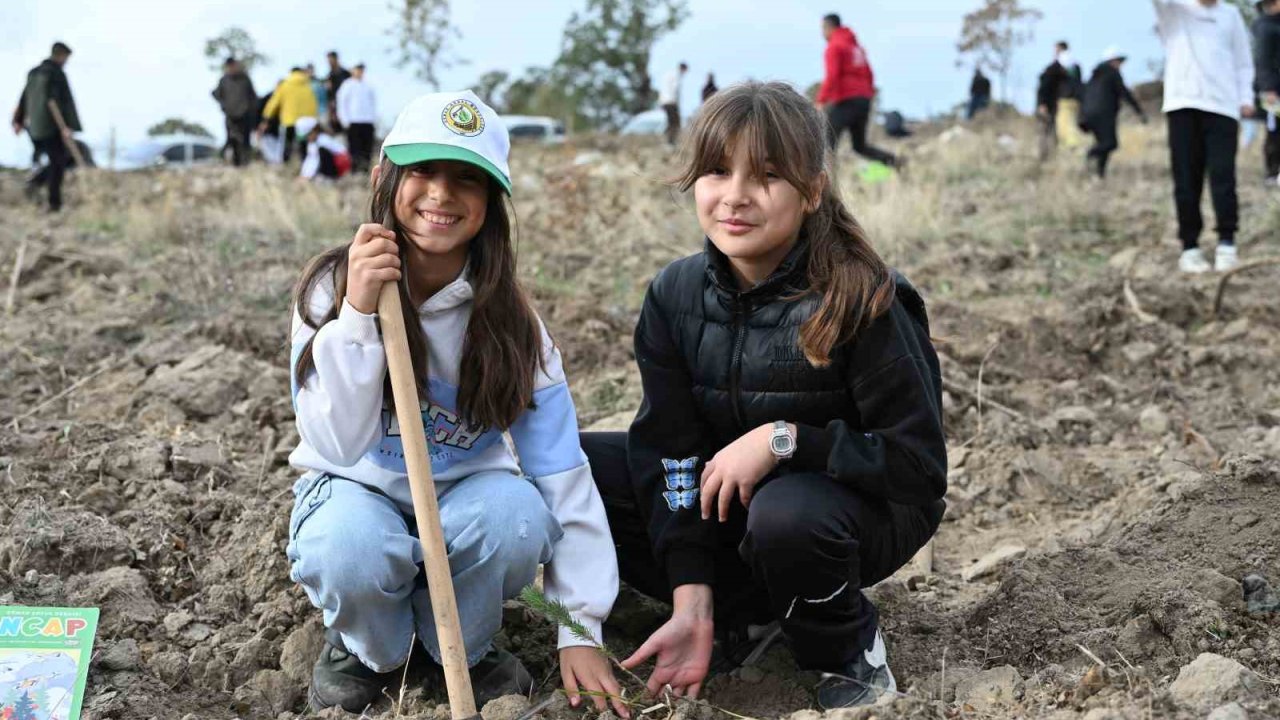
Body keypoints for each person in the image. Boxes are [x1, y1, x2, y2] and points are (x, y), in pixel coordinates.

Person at [581, 82, 945, 711]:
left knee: (785, 513)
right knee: (581, 469)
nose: (735, 196)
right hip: (734, 506)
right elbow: (672, 453)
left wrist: (786, 441)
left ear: (813, 190)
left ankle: (845, 650)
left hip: (853, 513)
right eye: (717, 171)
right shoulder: (675, 295)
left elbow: (918, 468)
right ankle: (733, 616)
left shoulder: (863, 298)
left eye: (768, 176)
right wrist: (691, 595)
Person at [287, 90, 622, 715]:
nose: (441, 194)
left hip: (464, 509)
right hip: (354, 492)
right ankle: (371, 649)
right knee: (350, 546)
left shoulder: (514, 326)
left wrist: (579, 627)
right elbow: (337, 443)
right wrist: (359, 316)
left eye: (466, 178)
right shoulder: (329, 294)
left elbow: (562, 474)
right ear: (384, 178)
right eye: (423, 171)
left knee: (515, 517)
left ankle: (462, 646)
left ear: (491, 202)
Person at [1153, 0, 1256, 273]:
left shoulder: (1230, 15)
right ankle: (1190, 247)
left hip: (1223, 107)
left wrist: (1245, 97)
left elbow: (1243, 62)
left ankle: (1227, 244)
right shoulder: (1173, 11)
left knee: (1223, 177)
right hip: (1183, 105)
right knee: (1187, 179)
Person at [817, 13, 898, 168]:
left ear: (829, 27)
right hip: (864, 100)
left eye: (823, 29)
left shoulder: (834, 47)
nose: (822, 33)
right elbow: (869, 74)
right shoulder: (856, 48)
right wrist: (867, 96)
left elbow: (832, 76)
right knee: (860, 146)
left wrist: (821, 100)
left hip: (847, 100)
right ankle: (894, 162)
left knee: (826, 143)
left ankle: (826, 180)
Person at [12, 42, 80, 212]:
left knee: (52, 160)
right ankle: (53, 203)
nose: (66, 61)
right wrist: (66, 126)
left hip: (34, 127)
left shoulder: (34, 73)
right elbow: (57, 101)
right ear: (60, 55)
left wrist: (18, 121)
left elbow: (24, 97)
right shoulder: (55, 74)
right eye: (66, 58)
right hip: (52, 126)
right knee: (59, 162)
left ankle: (35, 183)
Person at [1080, 47, 1147, 179]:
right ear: (1111, 61)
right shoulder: (1112, 73)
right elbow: (1124, 92)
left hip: (1088, 114)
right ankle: (1091, 155)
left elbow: (1084, 93)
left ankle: (1099, 174)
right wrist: (1139, 111)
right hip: (1104, 114)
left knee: (1103, 142)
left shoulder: (1094, 76)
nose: (1120, 65)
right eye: (1118, 61)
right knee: (1110, 143)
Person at [259, 67, 318, 163]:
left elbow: (273, 103)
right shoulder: (308, 86)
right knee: (304, 146)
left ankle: (286, 164)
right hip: (305, 123)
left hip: (290, 121)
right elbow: (314, 104)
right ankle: (304, 164)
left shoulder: (285, 85)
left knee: (288, 145)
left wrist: (266, 117)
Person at [212, 57, 258, 166]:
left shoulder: (245, 79)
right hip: (230, 116)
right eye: (229, 66)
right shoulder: (224, 80)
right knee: (232, 139)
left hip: (245, 115)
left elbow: (253, 96)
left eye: (233, 66)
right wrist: (224, 106)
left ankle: (245, 163)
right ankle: (236, 163)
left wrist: (250, 109)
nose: (232, 68)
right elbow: (216, 94)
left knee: (245, 140)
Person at [1255, 0, 1280, 185]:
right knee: (1274, 129)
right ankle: (1273, 172)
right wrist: (1267, 88)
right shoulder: (1265, 27)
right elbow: (1263, 61)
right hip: (1272, 90)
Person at [336, 63, 376, 173]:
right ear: (352, 70)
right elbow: (341, 104)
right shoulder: (347, 85)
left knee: (367, 148)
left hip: (367, 121)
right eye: (357, 69)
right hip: (353, 121)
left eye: (361, 69)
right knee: (354, 148)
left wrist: (372, 118)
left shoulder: (368, 85)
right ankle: (355, 170)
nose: (359, 71)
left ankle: (365, 170)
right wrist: (344, 120)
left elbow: (373, 103)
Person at [1036, 44, 1072, 160]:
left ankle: (1052, 157)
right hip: (1047, 106)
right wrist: (1042, 104)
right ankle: (1044, 157)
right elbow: (1043, 88)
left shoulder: (1062, 71)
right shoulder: (1052, 70)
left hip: (1054, 106)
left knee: (1052, 132)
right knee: (1044, 132)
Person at [294, 116, 350, 182]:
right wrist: (303, 175)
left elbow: (315, 161)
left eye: (307, 136)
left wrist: (307, 177)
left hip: (340, 165)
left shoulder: (323, 141)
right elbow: (309, 160)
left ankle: (330, 178)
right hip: (333, 164)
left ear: (314, 131)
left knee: (322, 152)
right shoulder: (312, 143)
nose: (307, 139)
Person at [1054, 42, 1086, 149]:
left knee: (1064, 124)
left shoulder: (1060, 62)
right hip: (1076, 98)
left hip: (1065, 98)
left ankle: (1072, 146)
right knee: (1072, 122)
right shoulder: (1075, 63)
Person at [659, 62, 688, 146]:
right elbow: (675, 90)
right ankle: (670, 141)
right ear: (683, 69)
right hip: (672, 102)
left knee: (671, 121)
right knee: (675, 122)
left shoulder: (669, 74)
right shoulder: (677, 76)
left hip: (665, 101)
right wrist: (677, 104)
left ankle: (670, 139)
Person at [326, 50, 352, 130]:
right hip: (335, 106)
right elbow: (329, 92)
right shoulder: (329, 75)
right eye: (328, 61)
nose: (329, 63)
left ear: (336, 59)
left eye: (331, 60)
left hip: (346, 105)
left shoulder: (346, 73)